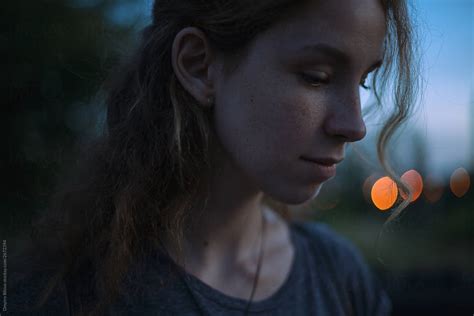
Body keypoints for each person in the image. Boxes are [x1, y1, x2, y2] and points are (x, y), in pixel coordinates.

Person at [9, 0, 419, 315]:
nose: (355, 125)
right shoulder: (60, 289)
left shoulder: (339, 277)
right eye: (317, 76)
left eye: (363, 81)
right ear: (199, 66)